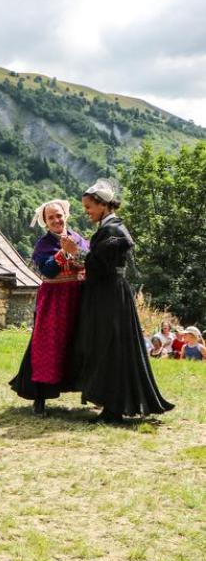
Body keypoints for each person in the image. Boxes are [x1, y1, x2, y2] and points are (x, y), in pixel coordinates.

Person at [65, 178, 174, 422]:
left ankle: (113, 408)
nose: (87, 212)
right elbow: (100, 260)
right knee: (108, 345)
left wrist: (78, 253)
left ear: (103, 205)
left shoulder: (113, 230)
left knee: (110, 347)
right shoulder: (109, 227)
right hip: (109, 293)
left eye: (89, 207)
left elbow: (103, 261)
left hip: (110, 295)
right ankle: (111, 404)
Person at [9, 199, 87, 416]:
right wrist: (63, 253)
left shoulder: (78, 239)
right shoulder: (43, 245)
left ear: (66, 215)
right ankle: (40, 398)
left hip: (78, 298)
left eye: (59, 215)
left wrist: (79, 255)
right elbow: (48, 270)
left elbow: (89, 259)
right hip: (55, 300)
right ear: (45, 222)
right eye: (50, 217)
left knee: (79, 343)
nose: (56, 220)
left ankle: (88, 391)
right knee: (49, 346)